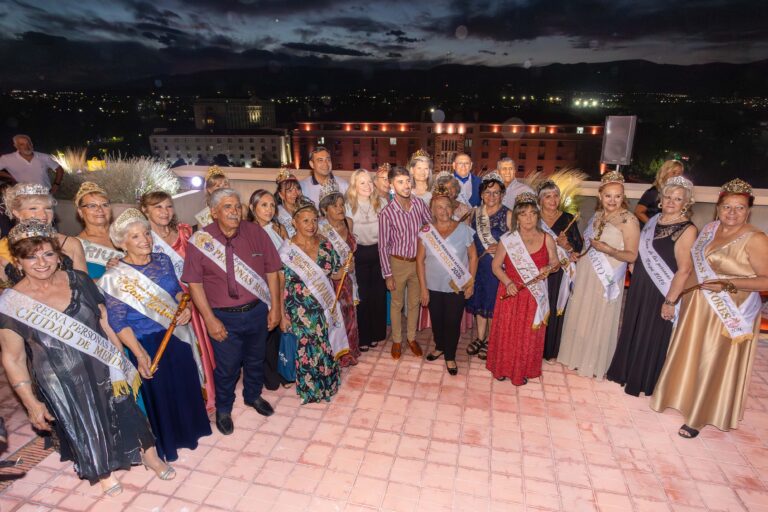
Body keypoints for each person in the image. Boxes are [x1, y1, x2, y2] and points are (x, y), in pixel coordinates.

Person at [0, 219, 171, 496]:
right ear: (18, 262)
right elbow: (13, 358)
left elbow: (104, 320)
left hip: (102, 362)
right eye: (31, 256)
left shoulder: (78, 280)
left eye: (48, 254)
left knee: (127, 410)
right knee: (86, 423)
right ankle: (103, 471)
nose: (41, 262)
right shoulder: (11, 303)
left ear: (58, 255)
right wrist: (30, 403)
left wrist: (120, 358)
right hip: (60, 380)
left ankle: (150, 456)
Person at [651, 179, 768, 438]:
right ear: (718, 208)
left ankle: (701, 416)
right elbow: (693, 268)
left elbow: (765, 280)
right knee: (692, 353)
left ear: (748, 210)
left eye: (739, 208)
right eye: (727, 207)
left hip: (730, 311)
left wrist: (728, 283)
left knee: (713, 360)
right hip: (697, 306)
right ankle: (680, 397)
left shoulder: (756, 238)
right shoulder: (709, 229)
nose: (732, 213)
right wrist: (676, 298)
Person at [101, 209, 211, 462]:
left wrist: (186, 306)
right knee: (161, 394)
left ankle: (193, 432)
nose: (145, 240)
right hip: (146, 342)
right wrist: (139, 355)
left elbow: (177, 292)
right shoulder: (114, 277)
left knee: (185, 384)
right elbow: (118, 322)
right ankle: (170, 443)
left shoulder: (162, 260)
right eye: (136, 237)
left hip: (176, 334)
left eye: (146, 234)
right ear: (122, 244)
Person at [182, 188, 281, 435]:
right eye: (227, 207)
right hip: (223, 317)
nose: (235, 212)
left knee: (256, 359)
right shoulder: (201, 241)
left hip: (257, 311)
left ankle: (253, 395)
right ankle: (224, 409)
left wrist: (276, 308)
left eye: (238, 207)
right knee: (227, 367)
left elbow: (273, 271)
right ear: (214, 212)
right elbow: (194, 284)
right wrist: (209, 319)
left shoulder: (256, 232)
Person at [607, 177, 696, 396]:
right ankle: (625, 372)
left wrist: (670, 301)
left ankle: (643, 380)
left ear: (686, 203)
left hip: (661, 289)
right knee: (634, 326)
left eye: (678, 199)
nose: (671, 202)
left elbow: (684, 270)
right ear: (660, 199)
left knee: (651, 332)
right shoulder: (655, 220)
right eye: (668, 197)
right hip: (640, 285)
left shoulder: (688, 229)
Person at [557, 171, 640, 379]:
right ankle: (576, 356)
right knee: (583, 315)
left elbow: (632, 255)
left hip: (608, 276)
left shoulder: (629, 220)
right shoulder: (597, 215)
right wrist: (573, 251)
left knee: (599, 317)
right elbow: (588, 246)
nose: (612, 200)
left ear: (623, 198)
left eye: (617, 196)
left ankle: (593, 362)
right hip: (587, 273)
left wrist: (608, 250)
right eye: (608, 196)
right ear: (600, 196)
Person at [140, 190, 217, 412]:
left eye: (168, 206)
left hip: (193, 298)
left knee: (202, 347)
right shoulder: (143, 239)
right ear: (145, 210)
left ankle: (208, 398)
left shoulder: (183, 231)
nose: (164, 212)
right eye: (157, 207)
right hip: (164, 304)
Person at [486, 193, 558, 385]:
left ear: (538, 216)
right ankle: (501, 367)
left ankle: (522, 370)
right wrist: (508, 282)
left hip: (534, 296)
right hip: (511, 292)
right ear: (517, 217)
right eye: (524, 214)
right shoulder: (508, 239)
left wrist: (548, 268)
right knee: (507, 332)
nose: (529, 218)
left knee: (527, 335)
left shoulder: (547, 239)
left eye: (533, 214)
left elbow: (556, 263)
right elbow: (495, 266)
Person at [279, 198, 345, 403]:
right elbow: (280, 286)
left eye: (314, 220)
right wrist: (281, 315)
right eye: (305, 221)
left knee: (325, 345)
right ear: (294, 223)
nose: (311, 225)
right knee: (306, 349)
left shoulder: (325, 244)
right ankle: (310, 391)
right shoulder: (287, 251)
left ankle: (328, 386)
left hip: (324, 306)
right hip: (299, 311)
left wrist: (345, 270)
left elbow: (334, 274)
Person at [416, 185, 477, 375]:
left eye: (447, 206)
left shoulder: (464, 229)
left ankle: (450, 355)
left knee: (452, 321)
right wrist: (423, 289)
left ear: (453, 208)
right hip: (433, 286)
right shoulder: (426, 231)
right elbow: (419, 260)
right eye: (439, 207)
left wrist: (471, 282)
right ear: (432, 210)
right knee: (437, 320)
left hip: (456, 286)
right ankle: (440, 346)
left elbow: (473, 257)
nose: (444, 211)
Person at [378, 166, 432, 359]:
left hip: (417, 262)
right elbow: (383, 246)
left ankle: (411, 338)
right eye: (400, 182)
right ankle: (397, 341)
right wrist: (388, 274)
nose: (406, 185)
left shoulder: (419, 204)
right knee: (397, 303)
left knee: (414, 302)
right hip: (397, 263)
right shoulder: (386, 213)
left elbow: (429, 224)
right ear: (391, 185)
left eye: (408, 181)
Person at [247, 189, 292, 390]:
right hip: (262, 288)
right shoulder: (247, 231)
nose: (269, 209)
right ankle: (268, 373)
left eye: (272, 205)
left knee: (282, 330)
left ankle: (284, 368)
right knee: (266, 333)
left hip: (283, 285)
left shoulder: (278, 228)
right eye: (264, 205)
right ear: (252, 207)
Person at [465, 172, 512, 360]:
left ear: (502, 194)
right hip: (478, 266)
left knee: (493, 304)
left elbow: (517, 243)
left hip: (496, 268)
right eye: (487, 192)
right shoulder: (475, 213)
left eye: (496, 193)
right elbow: (469, 240)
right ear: (481, 194)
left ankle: (491, 340)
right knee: (480, 302)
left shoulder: (508, 214)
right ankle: (479, 337)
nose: (491, 196)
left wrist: (503, 247)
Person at [0, 183, 87, 285]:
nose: (43, 215)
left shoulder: (71, 244)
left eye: (48, 208)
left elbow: (85, 286)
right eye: (33, 208)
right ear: (16, 213)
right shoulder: (3, 248)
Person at [537, 180, 583, 362]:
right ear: (540, 200)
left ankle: (550, 349)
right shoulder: (533, 217)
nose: (553, 200)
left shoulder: (567, 218)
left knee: (555, 306)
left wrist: (567, 245)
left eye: (556, 195)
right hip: (538, 270)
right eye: (547, 196)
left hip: (559, 273)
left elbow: (578, 247)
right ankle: (534, 346)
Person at [318, 182, 360, 367]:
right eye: (334, 206)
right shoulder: (319, 228)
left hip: (348, 281)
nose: (340, 208)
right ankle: (336, 353)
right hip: (330, 281)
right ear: (325, 210)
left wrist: (350, 268)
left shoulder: (348, 222)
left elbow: (351, 252)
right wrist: (334, 272)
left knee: (350, 315)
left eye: (342, 204)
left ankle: (350, 351)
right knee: (334, 318)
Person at [346, 169, 387, 352]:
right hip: (359, 254)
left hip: (379, 253)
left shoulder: (382, 202)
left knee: (378, 294)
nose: (367, 186)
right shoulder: (348, 205)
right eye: (362, 182)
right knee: (362, 296)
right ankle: (364, 336)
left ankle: (377, 334)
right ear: (354, 186)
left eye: (369, 182)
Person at [74, 182, 124, 279]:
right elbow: (79, 284)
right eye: (92, 206)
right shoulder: (74, 245)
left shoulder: (127, 234)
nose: (100, 209)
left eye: (105, 205)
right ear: (80, 212)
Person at [634, 159, 684, 226]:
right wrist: (653, 226)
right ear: (665, 173)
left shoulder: (679, 194)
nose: (676, 177)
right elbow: (638, 212)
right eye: (674, 173)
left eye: (679, 174)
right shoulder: (653, 192)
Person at [274, 168, 301, 237]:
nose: (295, 193)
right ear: (281, 195)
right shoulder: (276, 213)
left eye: (297, 189)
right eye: (289, 191)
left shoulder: (307, 208)